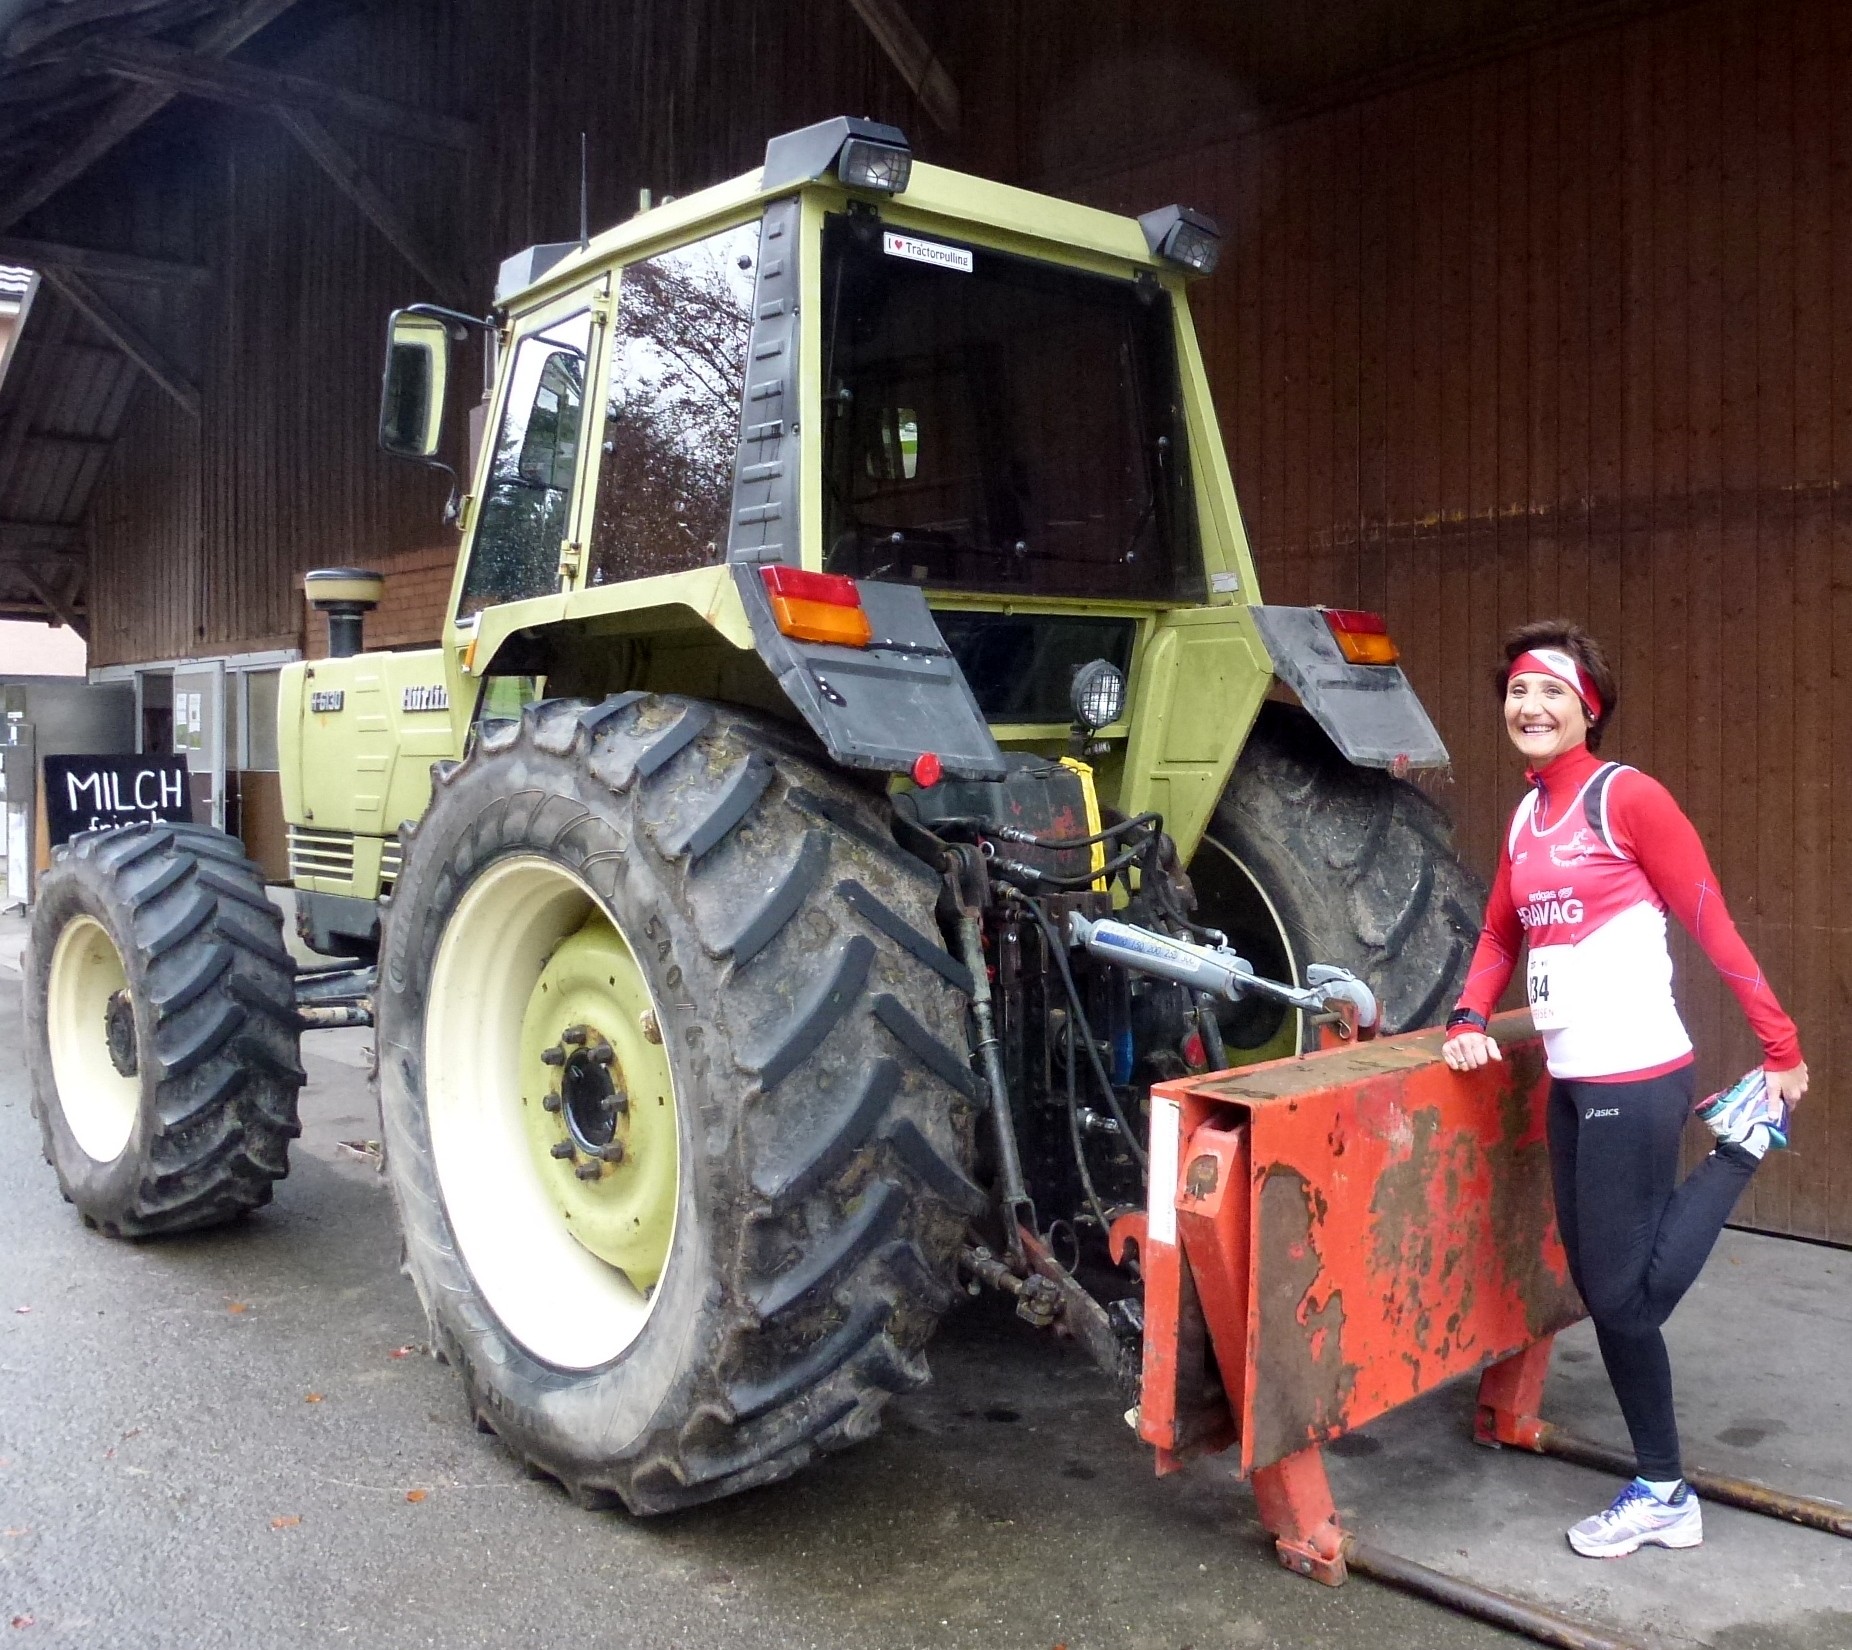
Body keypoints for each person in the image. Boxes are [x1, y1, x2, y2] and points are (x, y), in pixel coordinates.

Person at [1441, 620, 1806, 1560]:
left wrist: (1781, 1045)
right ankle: (1662, 1485)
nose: (1530, 706)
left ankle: (1742, 1144)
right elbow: (1496, 937)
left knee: (1624, 1299)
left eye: (1552, 691)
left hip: (1638, 1075)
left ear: (1588, 707)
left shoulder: (1625, 798)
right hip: (1573, 1079)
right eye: (1518, 691)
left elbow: (1708, 916)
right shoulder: (1526, 818)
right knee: (1610, 1289)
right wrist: (1468, 1018)